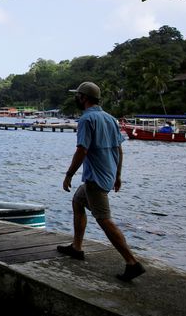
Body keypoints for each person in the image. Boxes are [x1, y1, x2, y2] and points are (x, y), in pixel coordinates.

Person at [59, 81, 146, 281]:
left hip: (95, 178)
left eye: (78, 96)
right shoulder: (110, 119)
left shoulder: (86, 120)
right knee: (78, 201)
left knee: (104, 219)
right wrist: (117, 176)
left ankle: (131, 262)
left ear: (84, 98)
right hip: (106, 175)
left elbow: (82, 150)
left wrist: (69, 174)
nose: (77, 99)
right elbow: (119, 149)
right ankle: (77, 247)